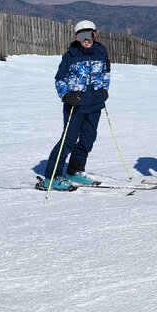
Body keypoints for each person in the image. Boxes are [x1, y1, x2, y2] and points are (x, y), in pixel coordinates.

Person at [37, 20, 111, 191]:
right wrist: (66, 95)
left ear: (95, 35)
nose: (86, 40)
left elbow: (106, 72)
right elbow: (60, 79)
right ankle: (52, 177)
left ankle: (74, 170)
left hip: (95, 103)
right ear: (77, 38)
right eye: (82, 36)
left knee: (88, 139)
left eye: (89, 35)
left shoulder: (101, 52)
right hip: (75, 105)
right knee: (68, 141)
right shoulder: (70, 55)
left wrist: (104, 89)